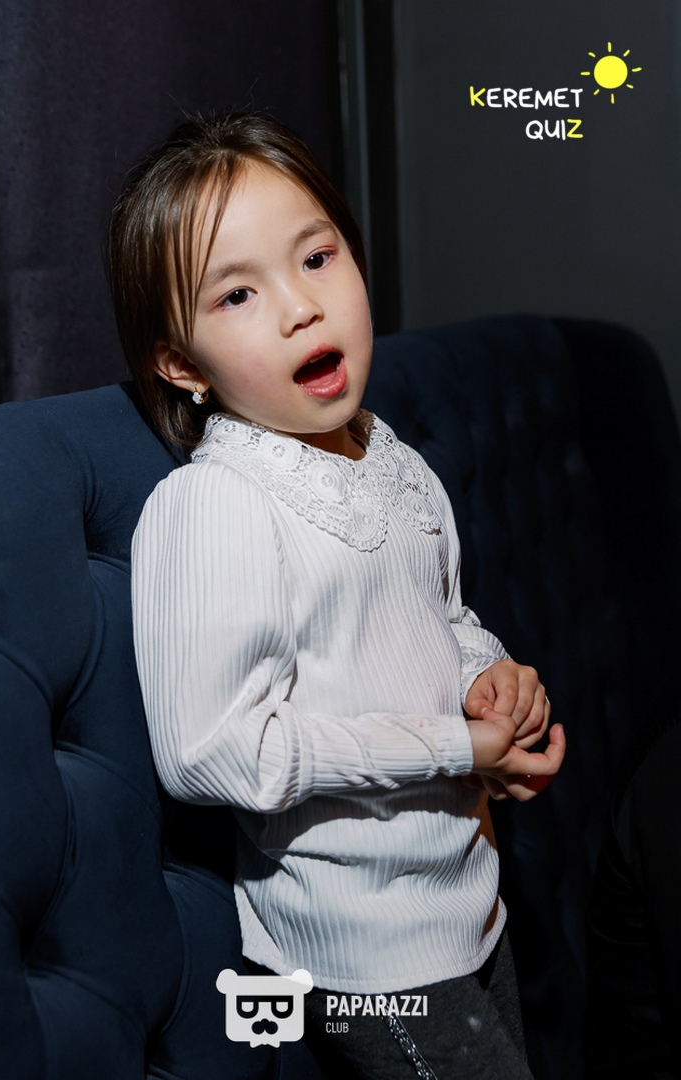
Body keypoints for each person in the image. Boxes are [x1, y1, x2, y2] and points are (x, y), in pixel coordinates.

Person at [109, 111, 565, 1079]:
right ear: (181, 364)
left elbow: (443, 618)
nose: (301, 308)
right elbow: (213, 751)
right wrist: (454, 745)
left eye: (317, 259)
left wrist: (492, 687)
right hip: (368, 949)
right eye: (238, 293)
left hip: (469, 897)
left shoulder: (388, 455)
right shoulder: (217, 504)